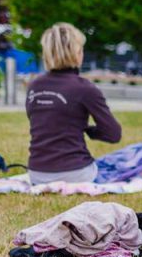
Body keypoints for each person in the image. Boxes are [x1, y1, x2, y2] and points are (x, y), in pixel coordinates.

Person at [26, 23, 122, 185]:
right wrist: (89, 130)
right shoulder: (84, 88)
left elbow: (43, 123)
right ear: (77, 53)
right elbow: (113, 134)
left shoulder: (34, 86)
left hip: (37, 174)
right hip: (75, 174)